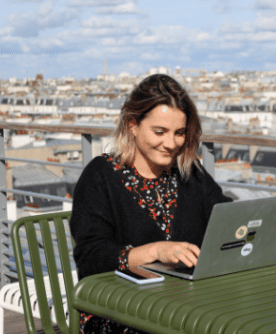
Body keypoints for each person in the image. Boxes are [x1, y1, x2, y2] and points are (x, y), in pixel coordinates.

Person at [70, 74, 232, 334]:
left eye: (179, 133)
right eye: (159, 132)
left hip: (181, 307)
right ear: (132, 124)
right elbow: (91, 257)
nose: (171, 144)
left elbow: (225, 217)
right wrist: (156, 251)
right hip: (118, 312)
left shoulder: (189, 171)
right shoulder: (100, 175)